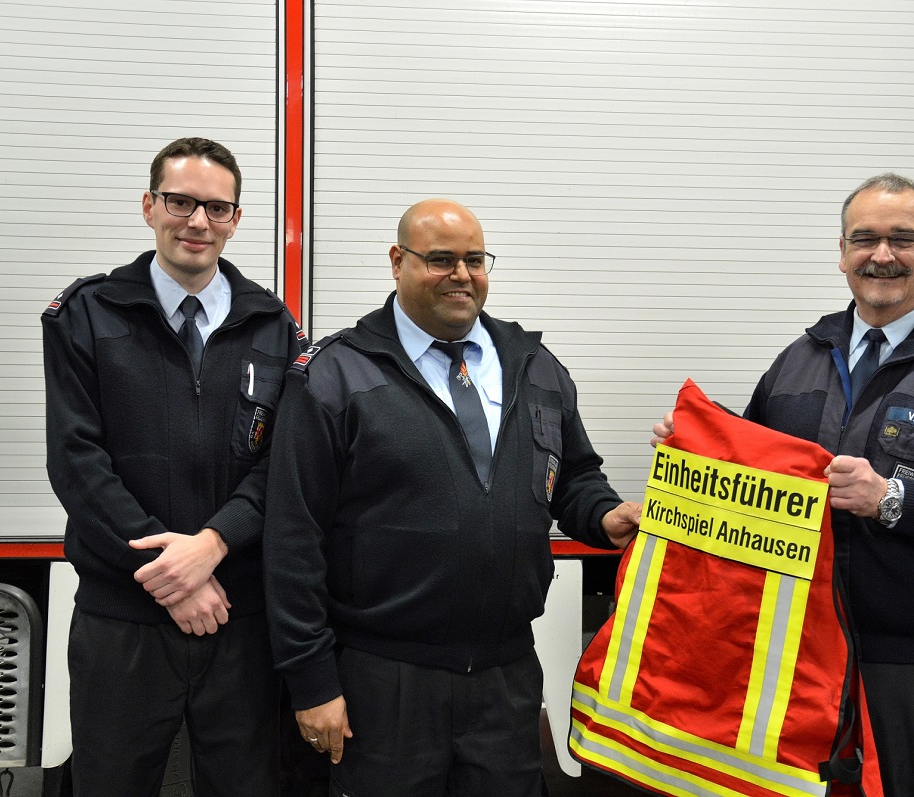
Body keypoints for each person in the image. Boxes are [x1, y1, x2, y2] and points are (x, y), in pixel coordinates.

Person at [653, 173, 914, 796]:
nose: (882, 255)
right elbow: (755, 479)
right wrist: (700, 446)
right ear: (842, 252)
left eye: (902, 239)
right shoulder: (799, 359)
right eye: (864, 239)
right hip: (795, 660)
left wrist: (892, 499)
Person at [263, 198, 641, 795]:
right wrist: (312, 683)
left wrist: (601, 513)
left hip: (506, 676)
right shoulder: (335, 375)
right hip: (382, 683)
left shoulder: (535, 367)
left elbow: (572, 475)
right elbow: (291, 539)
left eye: (474, 259)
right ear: (397, 261)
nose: (461, 275)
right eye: (440, 259)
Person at [42, 137, 305, 796]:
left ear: (237, 218)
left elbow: (285, 464)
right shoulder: (85, 315)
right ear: (149, 205)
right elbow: (77, 462)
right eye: (181, 201)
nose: (197, 222)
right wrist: (171, 575)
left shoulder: (275, 327)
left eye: (217, 208)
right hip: (122, 617)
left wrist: (211, 547)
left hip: (238, 617)